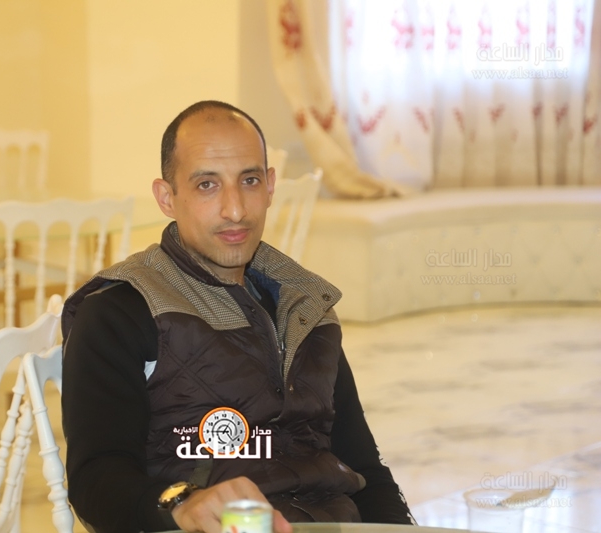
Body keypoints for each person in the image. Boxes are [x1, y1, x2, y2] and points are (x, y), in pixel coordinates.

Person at [61, 101, 415, 533]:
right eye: (207, 185)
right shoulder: (121, 311)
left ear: (270, 186)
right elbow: (96, 479)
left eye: (249, 181)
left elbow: (363, 467)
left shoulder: (306, 304)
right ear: (167, 198)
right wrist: (182, 503)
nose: (235, 209)